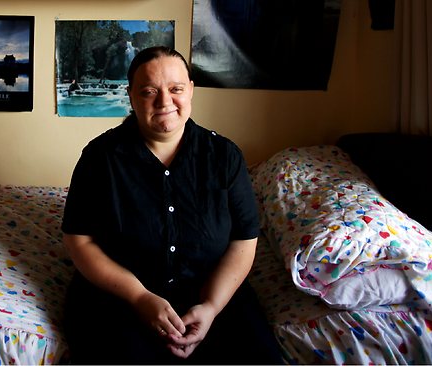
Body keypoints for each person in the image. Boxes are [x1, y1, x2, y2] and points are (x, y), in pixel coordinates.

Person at [61, 46, 282, 364]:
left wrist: (211, 307)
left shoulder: (224, 156)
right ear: (131, 96)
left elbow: (244, 239)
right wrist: (139, 297)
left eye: (176, 89)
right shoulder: (99, 158)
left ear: (190, 89)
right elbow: (77, 240)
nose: (164, 102)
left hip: (212, 292)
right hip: (118, 297)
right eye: (149, 91)